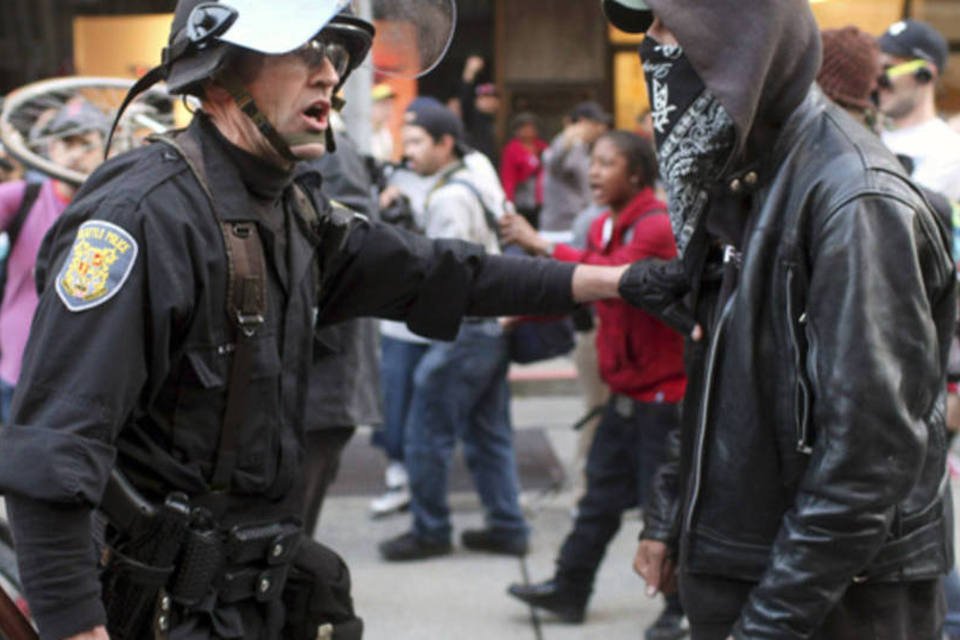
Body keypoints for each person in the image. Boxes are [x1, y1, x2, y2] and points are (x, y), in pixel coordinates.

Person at [0, 2, 649, 639]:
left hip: (249, 600)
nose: (327, 74)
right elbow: (52, 456)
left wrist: (616, 280)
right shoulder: (142, 219)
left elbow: (443, 271)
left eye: (330, 53)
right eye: (299, 51)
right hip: (154, 610)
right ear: (220, 74)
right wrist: (75, 627)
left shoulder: (293, 212)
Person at [601, 0, 957, 638]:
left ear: (740, 42)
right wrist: (670, 515)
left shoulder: (855, 197)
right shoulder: (739, 176)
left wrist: (769, 624)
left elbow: (867, 459)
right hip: (754, 569)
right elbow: (717, 370)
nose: (651, 49)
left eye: (667, 27)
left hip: (837, 599)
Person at [500, 130, 688, 638]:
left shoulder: (654, 226)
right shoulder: (609, 224)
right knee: (599, 497)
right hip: (627, 393)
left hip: (663, 399)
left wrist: (541, 244)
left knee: (663, 508)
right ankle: (570, 587)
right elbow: (589, 290)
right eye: (593, 162)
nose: (595, 172)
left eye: (608, 163)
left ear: (637, 174)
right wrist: (524, 312)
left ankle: (680, 611)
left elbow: (614, 278)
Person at [377, 97, 530, 562]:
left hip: (464, 333)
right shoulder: (470, 182)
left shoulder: (448, 197)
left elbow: (447, 276)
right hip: (487, 333)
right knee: (488, 433)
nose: (409, 152)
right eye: (407, 141)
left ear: (446, 143)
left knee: (426, 433)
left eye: (419, 142)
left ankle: (430, 529)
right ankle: (507, 526)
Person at [0, 99, 108, 422]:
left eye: (87, 143)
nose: (76, 154)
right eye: (66, 143)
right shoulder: (23, 197)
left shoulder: (119, 206)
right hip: (17, 372)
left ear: (106, 148)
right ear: (49, 149)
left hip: (84, 383)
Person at [300, 114, 382, 537]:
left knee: (288, 534)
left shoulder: (329, 151)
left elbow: (350, 243)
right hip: (308, 385)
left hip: (320, 385)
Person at [876, 19, 960, 201]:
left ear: (925, 74)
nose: (878, 80)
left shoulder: (949, 151)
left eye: (888, 69)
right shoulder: (868, 135)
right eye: (875, 68)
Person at [539, 101, 611, 232]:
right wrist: (568, 139)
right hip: (562, 229)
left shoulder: (584, 147)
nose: (601, 129)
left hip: (581, 226)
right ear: (582, 123)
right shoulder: (564, 144)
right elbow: (554, 161)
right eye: (597, 124)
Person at [499, 111, 547, 228]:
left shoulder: (542, 147)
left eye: (531, 127)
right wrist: (508, 201)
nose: (528, 131)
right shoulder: (512, 149)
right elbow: (508, 177)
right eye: (523, 128)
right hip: (521, 197)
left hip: (541, 196)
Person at [459, 55, 500, 166]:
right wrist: (469, 72)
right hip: (476, 168)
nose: (488, 101)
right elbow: (465, 98)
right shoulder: (472, 118)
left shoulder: (499, 119)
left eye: (492, 97)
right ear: (476, 101)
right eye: (484, 97)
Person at [370, 83, 396, 163]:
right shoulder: (357, 129)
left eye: (390, 105)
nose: (388, 110)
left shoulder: (385, 133)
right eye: (383, 104)